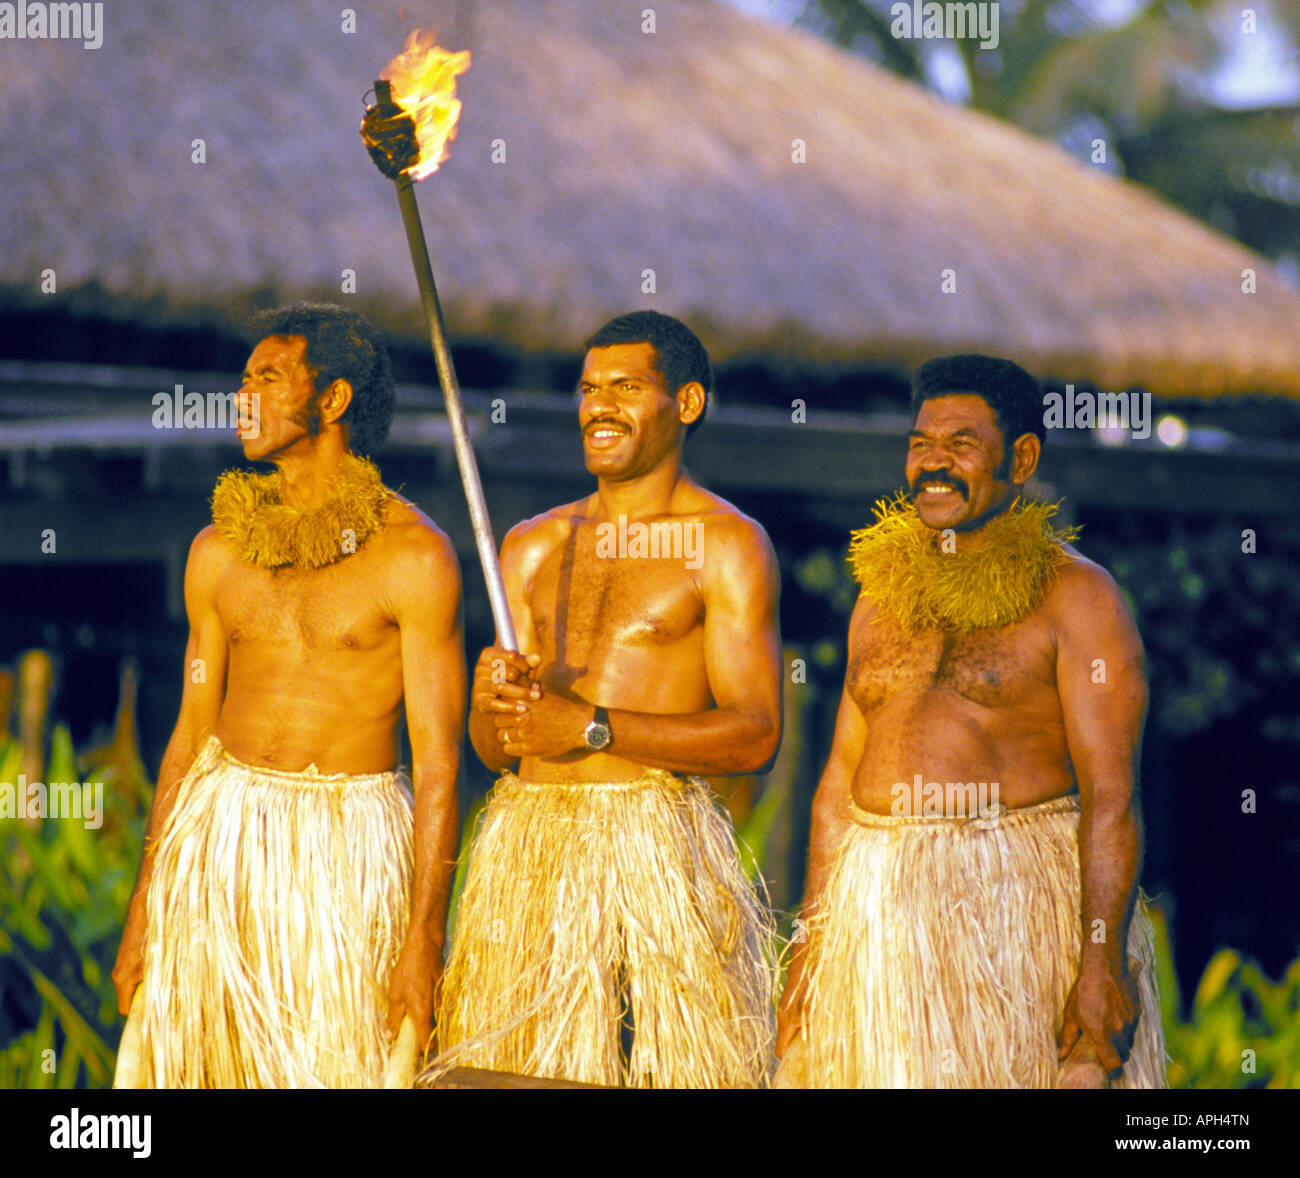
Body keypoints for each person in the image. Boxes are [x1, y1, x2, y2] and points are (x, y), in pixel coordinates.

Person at [775, 354, 1165, 1088]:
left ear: (1021, 458)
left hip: (1012, 908)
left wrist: (1101, 957)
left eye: (961, 444)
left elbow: (1111, 797)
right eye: (921, 444)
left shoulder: (1079, 599)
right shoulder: (879, 595)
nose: (934, 464)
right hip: (877, 907)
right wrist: (809, 950)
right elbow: (834, 791)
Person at [111, 303, 465, 1088]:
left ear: (332, 400)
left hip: (348, 849)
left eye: (268, 378)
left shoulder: (415, 558)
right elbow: (189, 734)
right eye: (242, 380)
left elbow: (440, 761)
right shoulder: (215, 553)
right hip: (222, 839)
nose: (242, 397)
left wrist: (422, 940)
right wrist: (145, 906)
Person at [430, 310, 781, 1088]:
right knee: (508, 1072)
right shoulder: (529, 545)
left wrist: (588, 726)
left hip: (652, 846)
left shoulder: (726, 545)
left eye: (626, 387)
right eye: (589, 389)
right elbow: (495, 754)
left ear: (685, 404)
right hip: (529, 849)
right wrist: (496, 708)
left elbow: (755, 734)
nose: (598, 407)